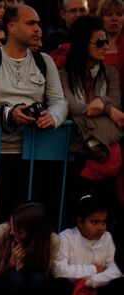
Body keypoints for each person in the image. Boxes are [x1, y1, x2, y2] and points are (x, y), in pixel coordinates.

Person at [0, 4, 68, 237]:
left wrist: (52, 118)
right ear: (11, 27)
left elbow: (59, 101)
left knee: (29, 228)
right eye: (31, 23)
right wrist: (9, 113)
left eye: (39, 24)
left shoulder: (44, 61)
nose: (38, 29)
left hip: (36, 155)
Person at [58, 15, 124, 220]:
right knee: (76, 210)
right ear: (82, 44)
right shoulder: (64, 74)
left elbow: (117, 106)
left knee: (107, 211)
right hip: (73, 154)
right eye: (100, 41)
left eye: (106, 41)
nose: (106, 46)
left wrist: (102, 101)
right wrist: (106, 108)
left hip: (105, 152)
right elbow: (73, 108)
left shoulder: (110, 73)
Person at [51, 195, 124, 295]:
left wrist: (92, 281)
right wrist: (92, 269)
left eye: (104, 222)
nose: (100, 227)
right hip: (71, 293)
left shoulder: (107, 237)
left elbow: (115, 269)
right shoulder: (66, 237)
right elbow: (59, 270)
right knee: (59, 284)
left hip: (95, 290)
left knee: (121, 283)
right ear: (79, 222)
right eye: (94, 222)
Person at [99, 0, 124, 98]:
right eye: (109, 15)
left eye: (119, 14)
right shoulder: (93, 45)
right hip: (103, 100)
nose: (114, 19)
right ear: (101, 18)